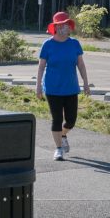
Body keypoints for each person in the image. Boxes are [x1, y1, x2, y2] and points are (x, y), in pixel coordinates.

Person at [36, 11, 90, 161]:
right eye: (61, 25)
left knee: (71, 120)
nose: (64, 27)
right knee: (57, 119)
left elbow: (80, 64)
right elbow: (41, 67)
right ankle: (59, 148)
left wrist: (86, 83)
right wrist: (38, 86)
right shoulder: (47, 45)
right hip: (53, 88)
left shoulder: (74, 43)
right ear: (55, 27)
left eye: (66, 24)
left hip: (71, 87)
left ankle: (63, 134)